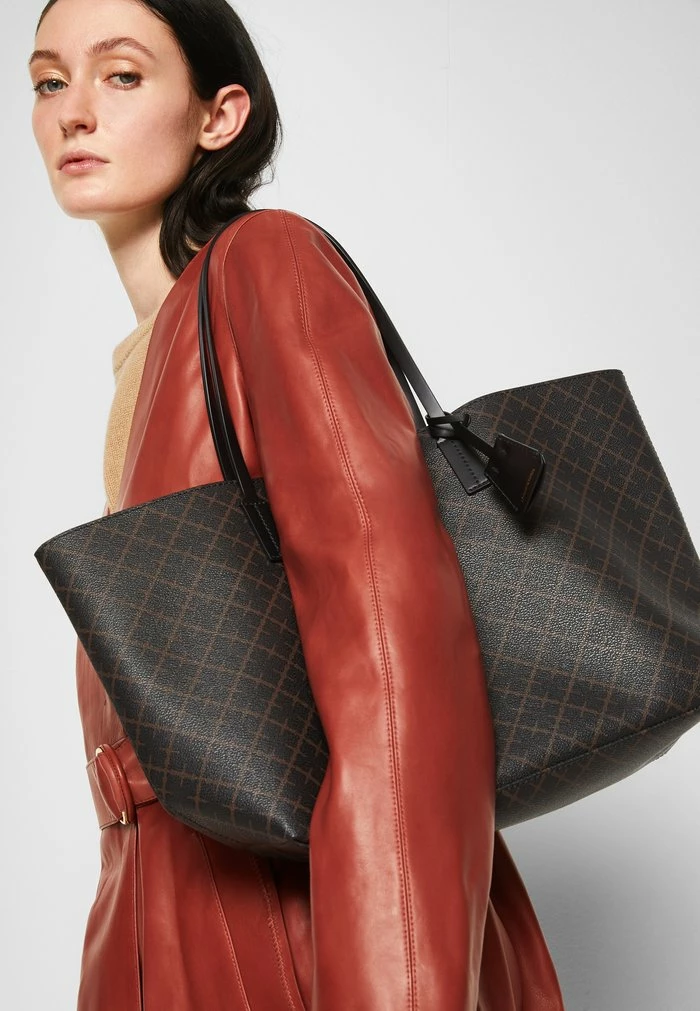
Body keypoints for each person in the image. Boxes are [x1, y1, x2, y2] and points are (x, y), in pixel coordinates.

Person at [29, 0, 566, 1008]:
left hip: (288, 941)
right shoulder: (150, 355)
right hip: (159, 932)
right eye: (49, 81)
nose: (74, 111)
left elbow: (393, 654)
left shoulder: (265, 266)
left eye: (122, 74)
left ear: (219, 114)